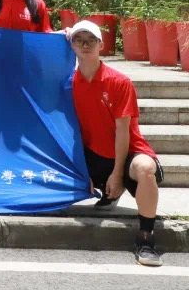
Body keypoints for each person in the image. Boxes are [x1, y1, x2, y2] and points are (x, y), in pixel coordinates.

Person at [68, 21, 163, 266]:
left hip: (128, 152)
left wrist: (118, 174)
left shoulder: (119, 81)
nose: (85, 44)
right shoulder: (69, 83)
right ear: (72, 46)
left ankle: (146, 239)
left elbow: (123, 132)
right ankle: (108, 194)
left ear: (101, 44)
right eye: (79, 40)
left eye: (91, 39)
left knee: (145, 169)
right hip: (93, 153)